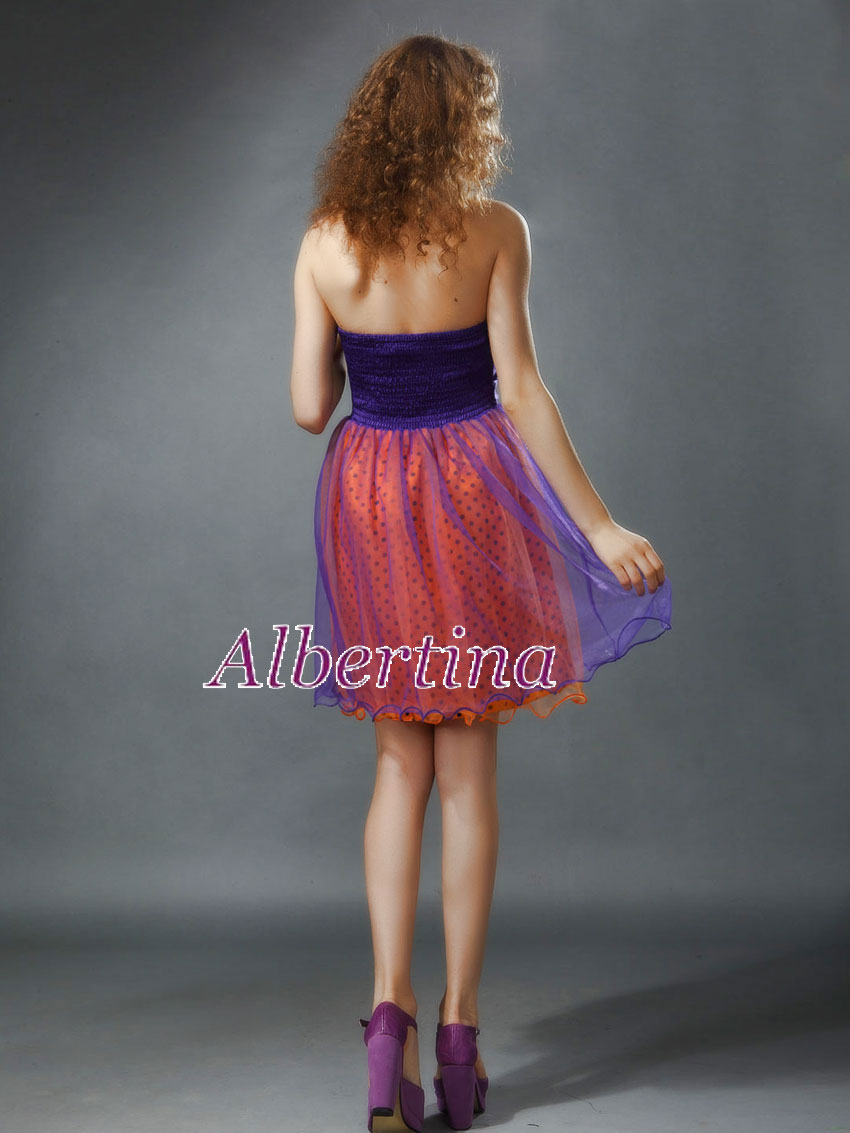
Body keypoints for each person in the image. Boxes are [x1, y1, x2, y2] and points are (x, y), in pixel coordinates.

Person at [290, 33, 672, 1132]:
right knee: (467, 773)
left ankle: (388, 1023)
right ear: (464, 125)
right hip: (470, 494)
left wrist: (360, 354)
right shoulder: (496, 229)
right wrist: (597, 525)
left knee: (396, 763)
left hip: (369, 496)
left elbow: (309, 409)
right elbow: (524, 391)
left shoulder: (324, 240)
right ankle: (460, 1033)